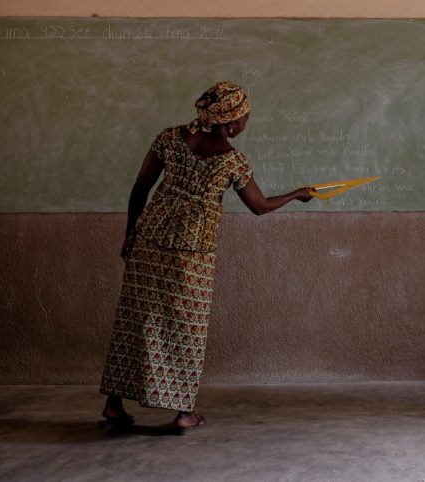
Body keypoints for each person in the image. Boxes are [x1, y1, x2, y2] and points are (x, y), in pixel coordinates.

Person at [99, 81, 314, 430]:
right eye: (245, 117)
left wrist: (130, 233)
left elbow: (141, 187)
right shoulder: (233, 161)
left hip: (150, 237)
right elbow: (259, 207)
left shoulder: (168, 138)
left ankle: (113, 406)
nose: (246, 122)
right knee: (186, 327)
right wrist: (297, 194)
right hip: (192, 249)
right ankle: (183, 413)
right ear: (230, 123)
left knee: (136, 319)